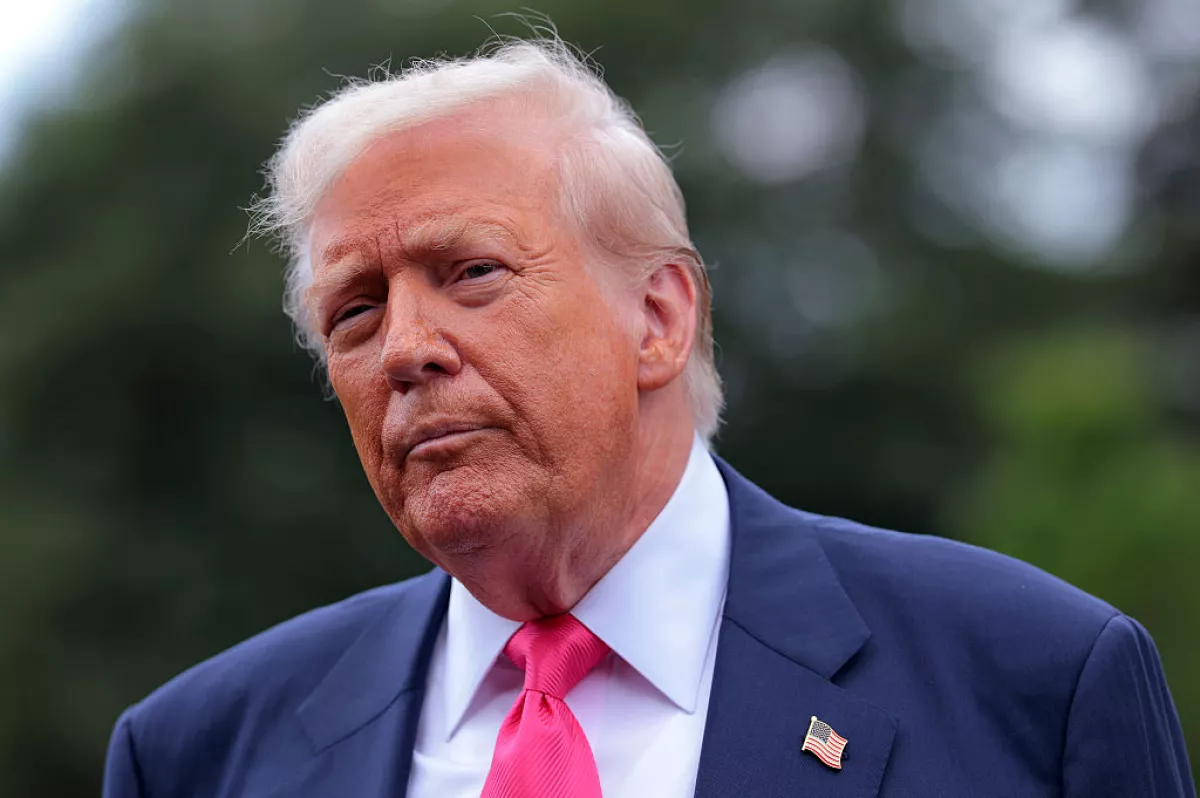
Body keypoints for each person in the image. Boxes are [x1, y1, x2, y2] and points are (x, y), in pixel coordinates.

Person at [102, 38, 1194, 797]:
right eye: (354, 310)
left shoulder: (1032, 684)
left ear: (659, 318)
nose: (404, 349)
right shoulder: (198, 756)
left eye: (472, 271)